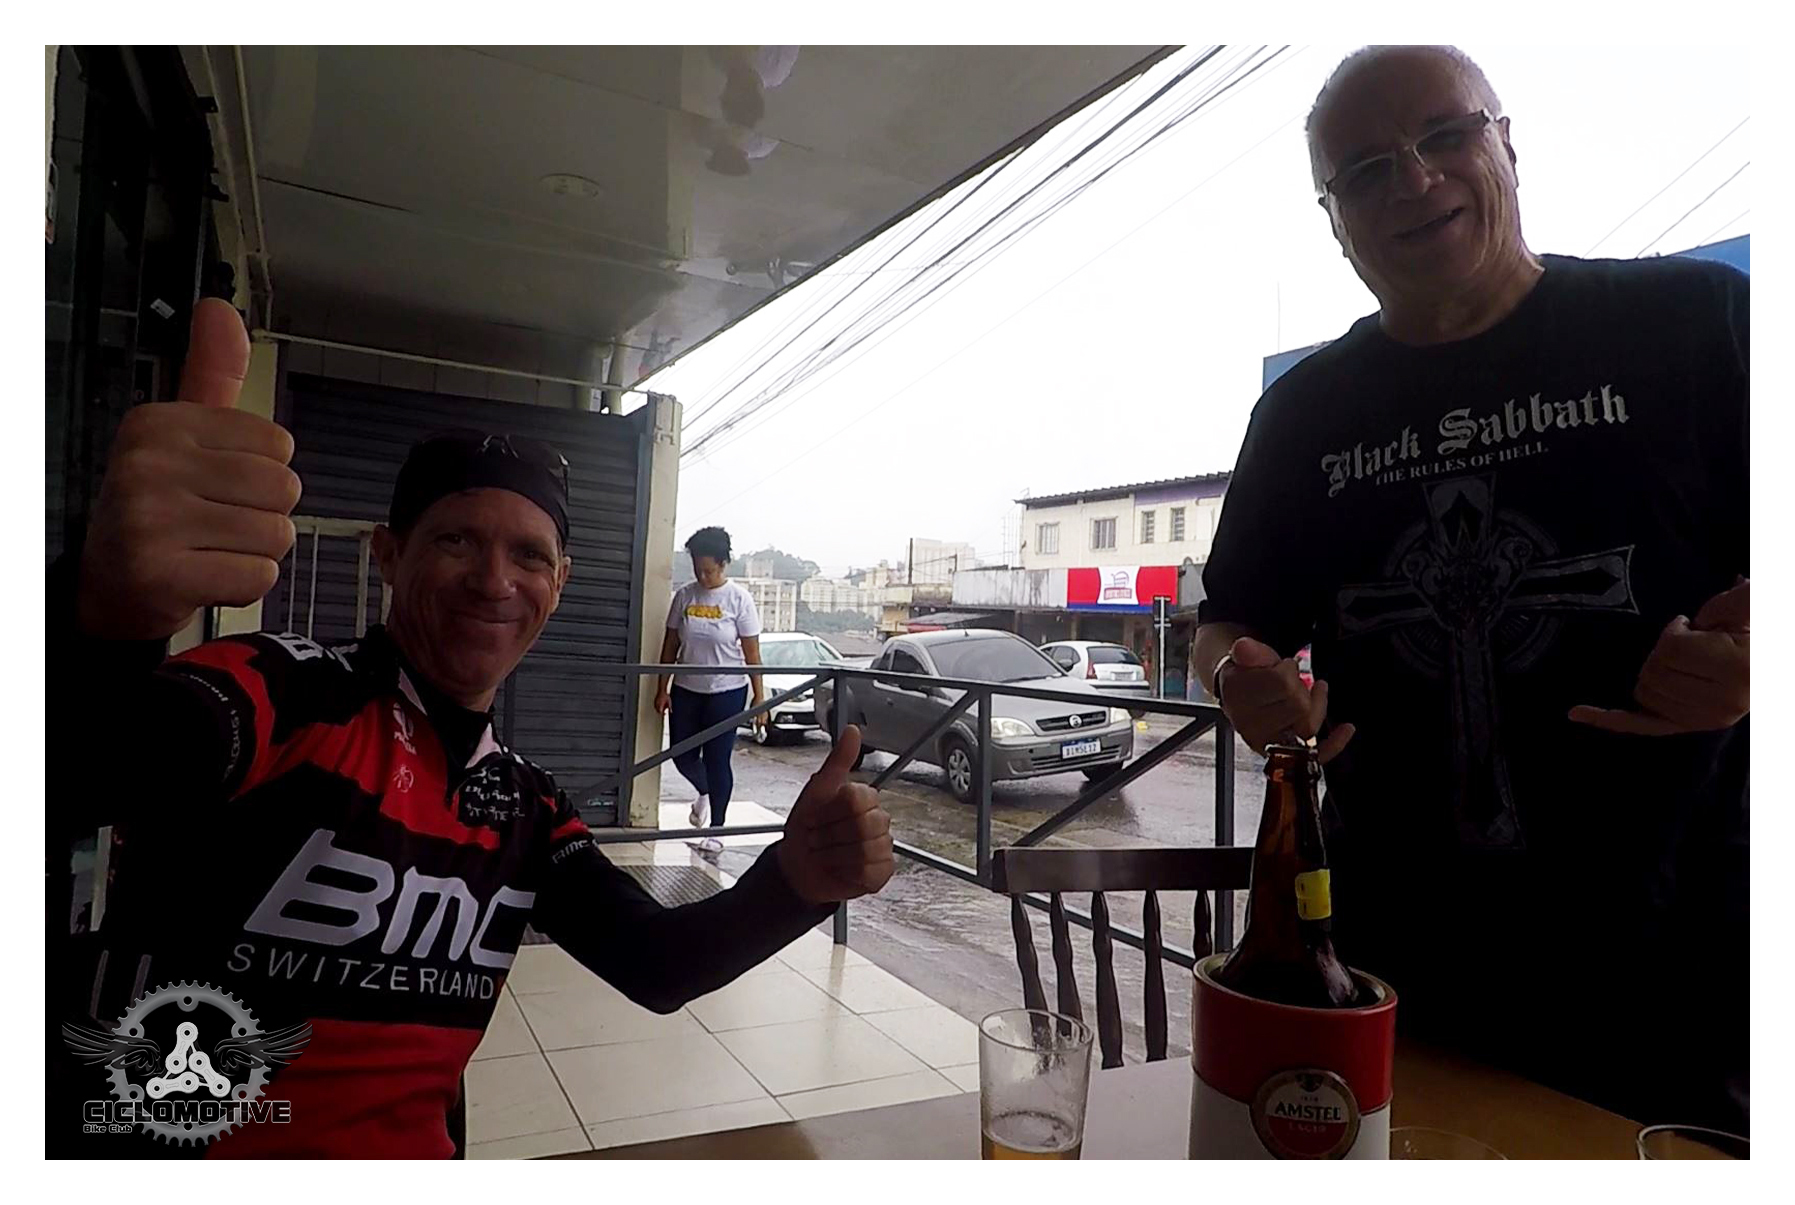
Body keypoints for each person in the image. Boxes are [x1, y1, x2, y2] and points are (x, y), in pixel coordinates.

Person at [48, 299, 895, 1158]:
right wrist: (106, 623)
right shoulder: (282, 690)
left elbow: (658, 962)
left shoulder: (525, 806)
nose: (494, 581)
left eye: (529, 555)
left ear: (559, 583)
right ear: (388, 554)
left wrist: (796, 882)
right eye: (456, 540)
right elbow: (84, 763)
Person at [1194, 46, 1748, 1133]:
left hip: (1678, 944)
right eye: (1365, 170)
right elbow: (1231, 619)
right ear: (1335, 219)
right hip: (1395, 953)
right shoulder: (1302, 413)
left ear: (1505, 144)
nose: (1414, 178)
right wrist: (1233, 678)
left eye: (1444, 135)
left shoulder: (1697, 325)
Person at [655, 529, 765, 854]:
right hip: (687, 689)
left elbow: (753, 654)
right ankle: (704, 791)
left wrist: (759, 699)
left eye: (709, 571)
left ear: (723, 564)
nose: (703, 577)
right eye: (697, 570)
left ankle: (717, 829)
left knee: (718, 760)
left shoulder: (739, 599)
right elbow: (670, 645)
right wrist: (662, 688)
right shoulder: (685, 597)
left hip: (727, 692)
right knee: (682, 755)